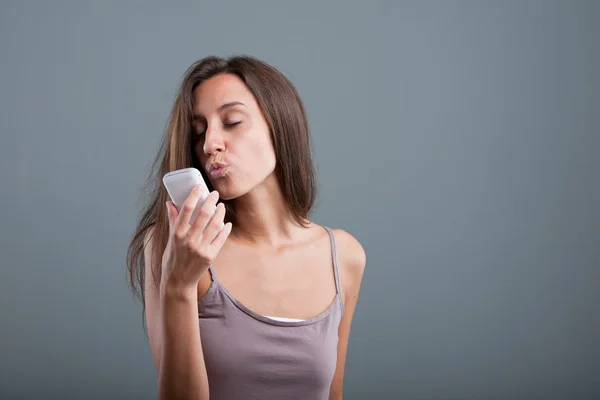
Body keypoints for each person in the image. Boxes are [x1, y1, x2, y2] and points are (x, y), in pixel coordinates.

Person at [126, 55, 366, 400]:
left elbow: (333, 393)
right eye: (199, 133)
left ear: (279, 124)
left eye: (232, 121)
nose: (210, 144)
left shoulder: (343, 255)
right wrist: (179, 286)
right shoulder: (176, 246)